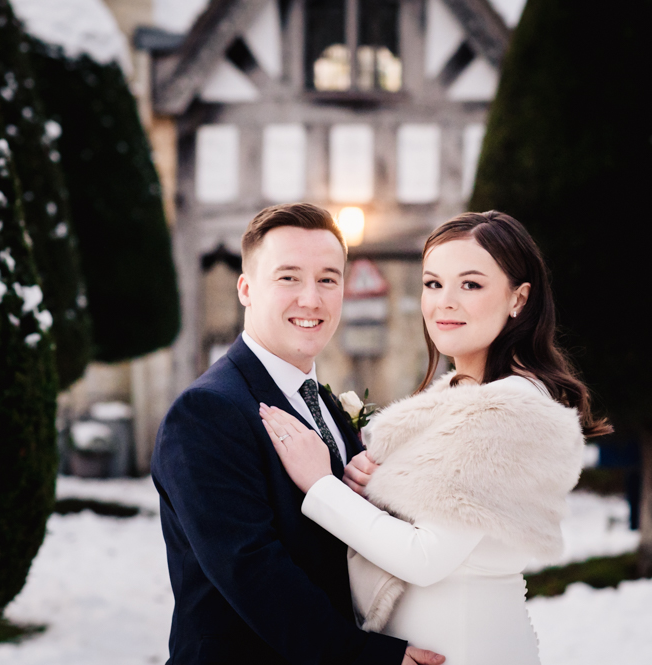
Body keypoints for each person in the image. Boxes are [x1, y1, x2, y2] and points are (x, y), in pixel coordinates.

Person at [263, 211, 613, 664]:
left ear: (518, 299)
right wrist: (376, 486)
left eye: (471, 285)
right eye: (433, 284)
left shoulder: (506, 410)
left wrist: (321, 485)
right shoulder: (456, 397)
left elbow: (425, 556)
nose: (445, 302)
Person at [151, 203, 444, 665]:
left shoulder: (324, 403)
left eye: (328, 279)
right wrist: (367, 657)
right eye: (288, 277)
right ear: (246, 288)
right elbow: (250, 568)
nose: (311, 298)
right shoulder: (207, 411)